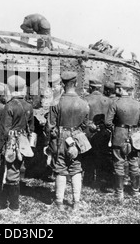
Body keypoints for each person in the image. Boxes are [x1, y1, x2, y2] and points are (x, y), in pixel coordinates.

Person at [0, 75, 34, 213]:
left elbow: (3, 130)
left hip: (10, 145)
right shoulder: (29, 106)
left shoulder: (9, 106)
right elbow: (31, 129)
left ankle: (14, 207)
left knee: (11, 174)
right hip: (23, 144)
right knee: (14, 172)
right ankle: (10, 203)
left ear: (9, 88)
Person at [46, 71, 90, 211]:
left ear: (63, 85)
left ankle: (59, 202)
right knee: (76, 168)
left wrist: (52, 142)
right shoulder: (84, 103)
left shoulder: (56, 102)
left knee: (60, 168)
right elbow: (85, 126)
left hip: (60, 137)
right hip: (77, 137)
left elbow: (50, 127)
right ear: (75, 84)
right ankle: (76, 202)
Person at [105, 81, 140, 203]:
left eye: (118, 88)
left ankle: (119, 193)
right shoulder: (138, 104)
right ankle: (135, 191)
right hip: (134, 136)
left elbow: (108, 122)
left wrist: (115, 128)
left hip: (119, 135)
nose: (116, 90)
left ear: (121, 90)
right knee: (134, 163)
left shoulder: (115, 103)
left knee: (119, 163)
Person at [83, 79, 114, 191]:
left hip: (89, 132)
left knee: (88, 156)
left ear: (91, 88)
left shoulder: (85, 99)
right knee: (102, 156)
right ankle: (101, 180)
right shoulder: (109, 101)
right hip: (104, 132)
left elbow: (83, 117)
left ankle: (88, 179)